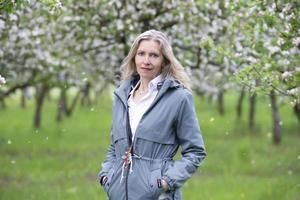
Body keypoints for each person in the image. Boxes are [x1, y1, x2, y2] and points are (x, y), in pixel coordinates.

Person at [98, 30, 206, 200]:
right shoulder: (121, 96)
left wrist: (165, 182)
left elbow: (195, 151)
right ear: (134, 57)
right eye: (141, 54)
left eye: (154, 55)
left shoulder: (178, 98)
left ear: (164, 60)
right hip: (118, 194)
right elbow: (115, 146)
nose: (146, 61)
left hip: (157, 195)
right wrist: (106, 176)